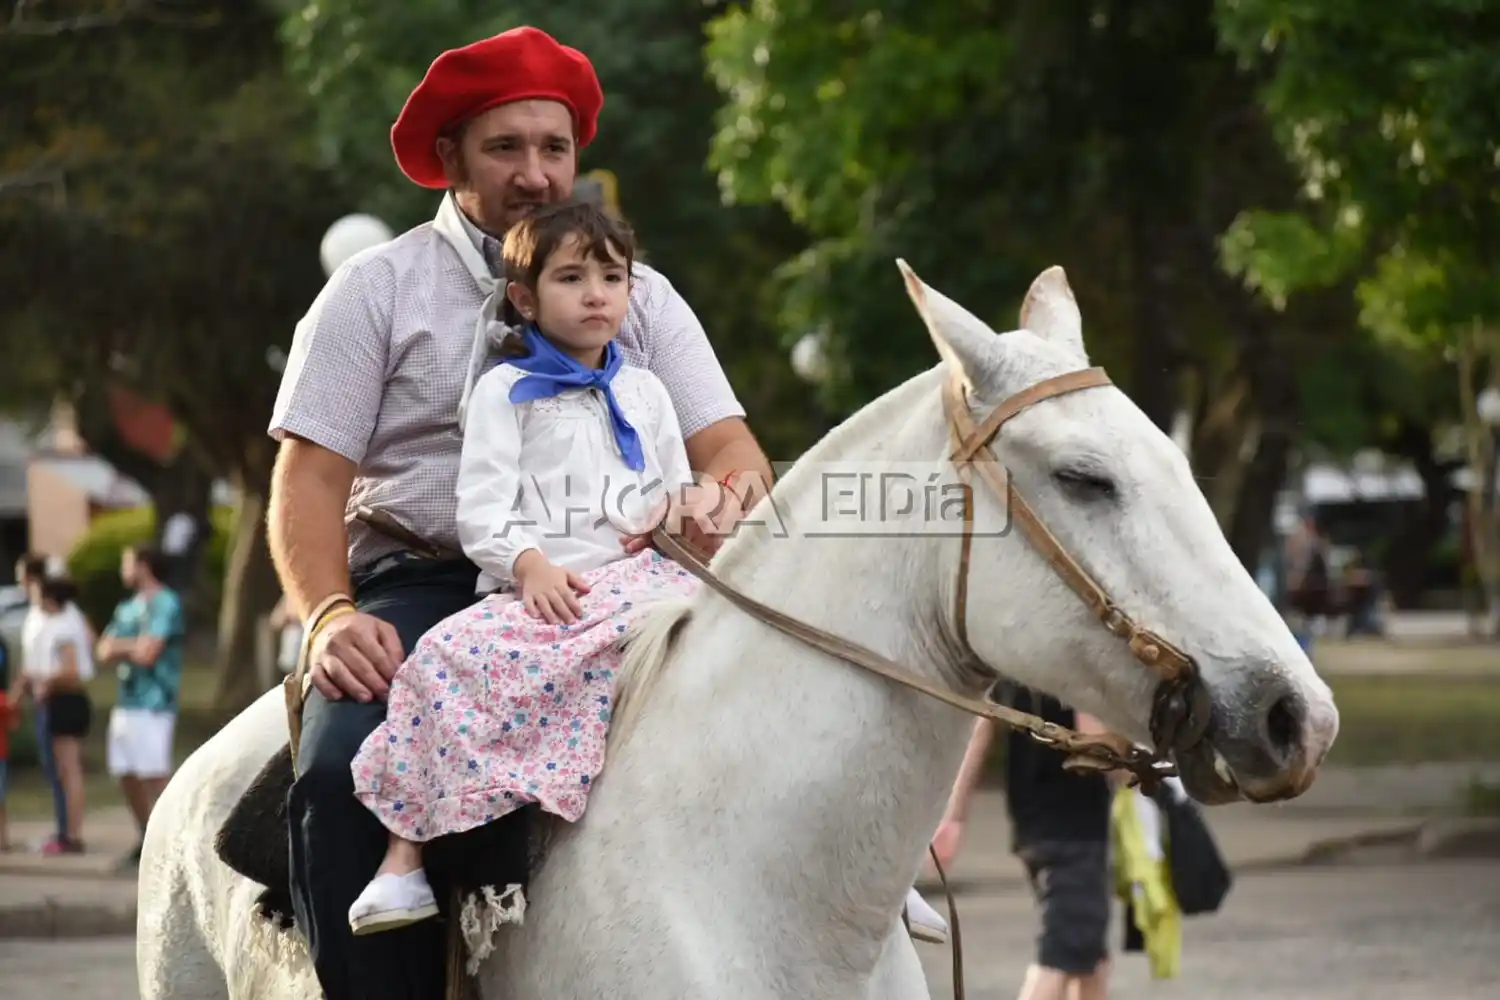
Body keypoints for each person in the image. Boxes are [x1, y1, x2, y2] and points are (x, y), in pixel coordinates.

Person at [267, 26, 775, 1000]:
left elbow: (734, 452)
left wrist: (718, 499)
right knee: (341, 772)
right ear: (449, 159)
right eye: (506, 148)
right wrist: (328, 615)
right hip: (426, 581)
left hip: (617, 576)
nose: (537, 174)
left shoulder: (642, 294)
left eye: (556, 148)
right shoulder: (372, 291)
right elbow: (311, 478)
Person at [931, 689, 1116, 1000]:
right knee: (1060, 957)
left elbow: (981, 728)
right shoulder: (1075, 666)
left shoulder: (1015, 661)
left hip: (1031, 825)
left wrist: (954, 816)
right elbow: (1095, 743)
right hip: (1074, 828)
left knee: (1090, 959)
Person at [96, 545, 184, 870]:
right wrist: (133, 646)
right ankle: (146, 836)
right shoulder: (127, 607)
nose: (123, 568)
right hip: (127, 701)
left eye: (127, 561)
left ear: (144, 565)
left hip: (155, 702)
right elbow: (103, 650)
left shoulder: (167, 603)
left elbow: (151, 653)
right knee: (125, 772)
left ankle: (171, 844)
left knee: (154, 775)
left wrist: (125, 648)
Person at [26, 575, 96, 854]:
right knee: (66, 771)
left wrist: (47, 682)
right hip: (62, 700)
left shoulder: (65, 626)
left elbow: (72, 670)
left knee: (70, 771)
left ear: (50, 598)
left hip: (66, 701)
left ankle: (73, 835)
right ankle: (67, 831)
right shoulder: (69, 621)